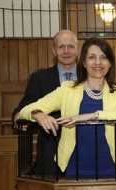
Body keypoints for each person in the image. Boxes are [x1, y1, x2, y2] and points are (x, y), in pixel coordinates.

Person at [19, 37, 116, 176]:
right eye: (92, 57)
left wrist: (93, 115)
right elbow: (25, 110)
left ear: (110, 63)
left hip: (110, 165)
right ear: (84, 63)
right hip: (74, 167)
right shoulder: (67, 89)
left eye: (103, 57)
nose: (98, 62)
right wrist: (38, 114)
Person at [12, 29, 78, 175]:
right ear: (54, 51)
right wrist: (37, 114)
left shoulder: (90, 76)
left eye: (71, 46)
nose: (66, 51)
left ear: (77, 50)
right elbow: (22, 109)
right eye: (61, 47)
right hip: (50, 149)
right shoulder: (39, 78)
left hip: (84, 146)